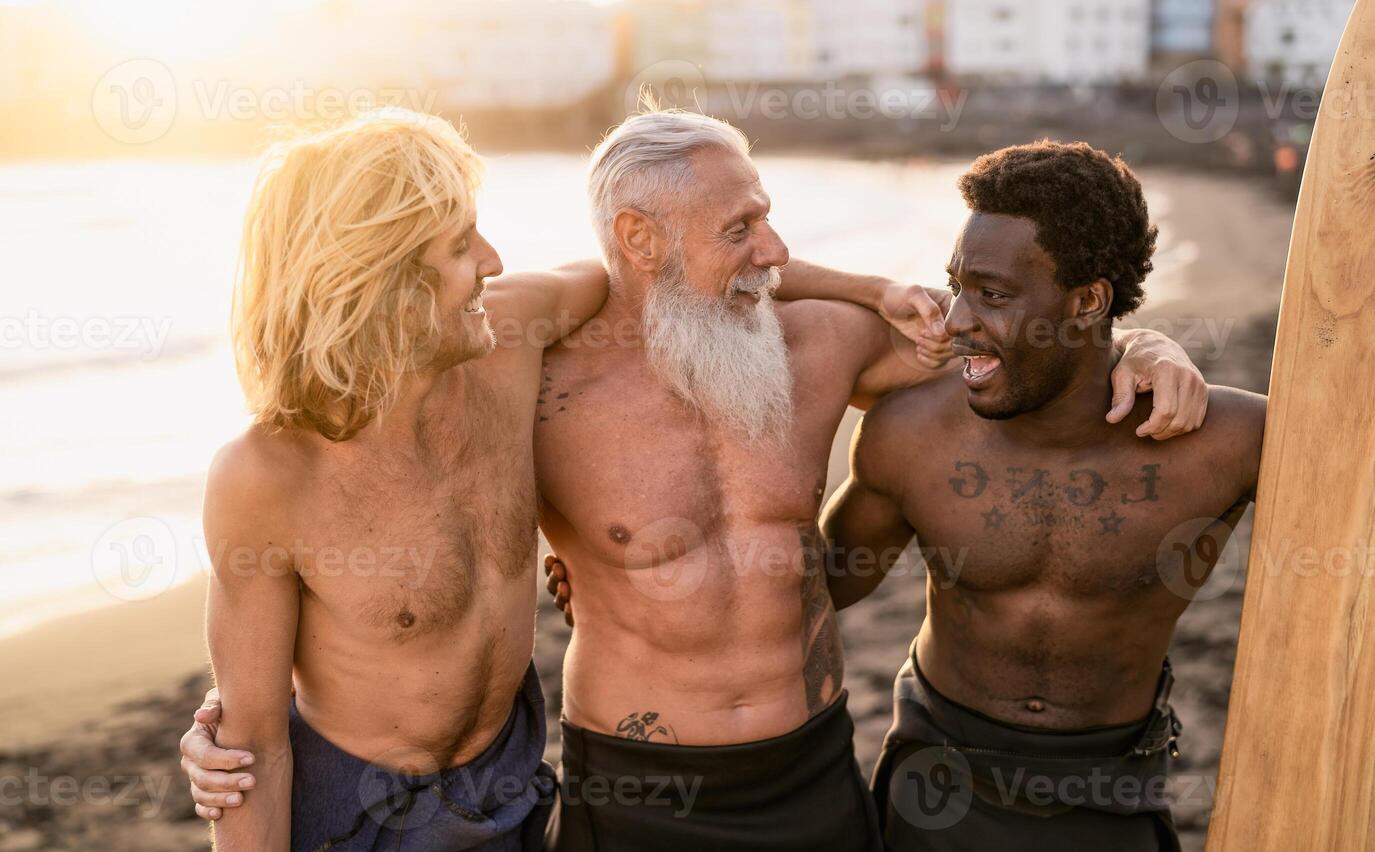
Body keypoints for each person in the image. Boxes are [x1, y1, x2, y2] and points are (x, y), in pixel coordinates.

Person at [182, 112, 1209, 851]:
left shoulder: (809, 344)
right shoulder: (526, 371)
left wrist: (1140, 344)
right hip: (621, 791)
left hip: (794, 768)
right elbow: (275, 708)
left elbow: (1013, 354)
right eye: (740, 227)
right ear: (638, 238)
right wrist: (228, 739)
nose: (776, 248)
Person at [821, 141, 1266, 851]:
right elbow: (817, 589)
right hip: (937, 785)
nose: (959, 320)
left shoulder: (1229, 440)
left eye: (993, 295)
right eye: (957, 285)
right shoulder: (909, 430)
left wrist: (1153, 345)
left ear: (1089, 300)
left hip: (1113, 795)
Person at [195, 109, 611, 850]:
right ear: (376, 281)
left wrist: (863, 292)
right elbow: (250, 749)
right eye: (460, 246)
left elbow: (638, 271)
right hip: (359, 822)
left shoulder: (509, 340)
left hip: (512, 787)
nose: (493, 260)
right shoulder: (268, 475)